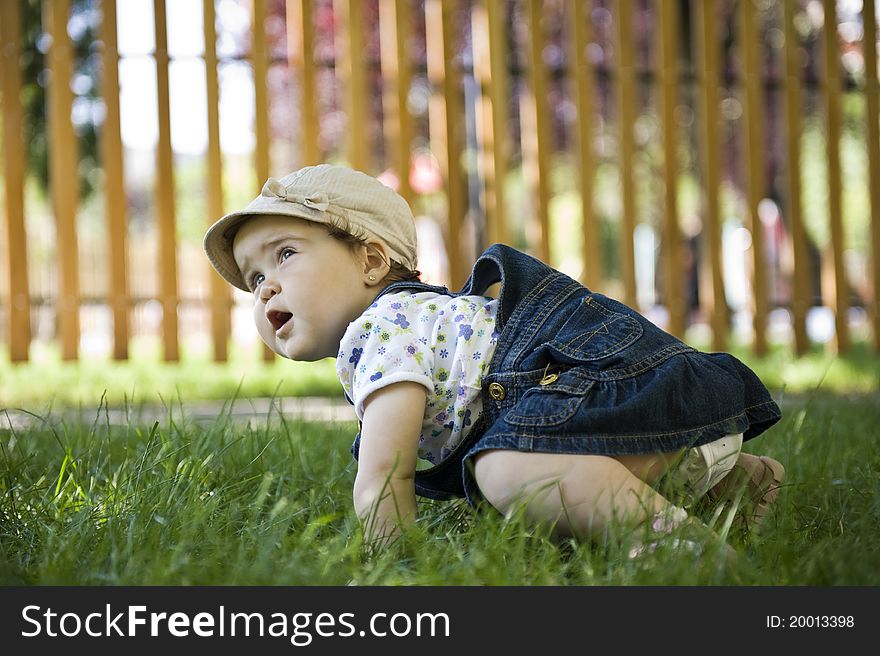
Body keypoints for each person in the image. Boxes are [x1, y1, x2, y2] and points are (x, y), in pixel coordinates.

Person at [203, 164, 785, 560]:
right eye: (254, 278)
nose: (264, 289)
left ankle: (678, 551)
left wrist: (397, 570)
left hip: (616, 404)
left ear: (372, 261)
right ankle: (728, 482)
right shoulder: (428, 321)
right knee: (519, 498)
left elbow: (384, 476)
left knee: (503, 471)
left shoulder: (385, 331)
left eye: (284, 255)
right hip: (662, 419)